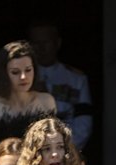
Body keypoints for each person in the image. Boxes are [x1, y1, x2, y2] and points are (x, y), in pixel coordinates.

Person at [28, 19, 93, 151]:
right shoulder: (21, 78)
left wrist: (64, 149)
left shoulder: (75, 79)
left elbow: (84, 122)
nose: (41, 48)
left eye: (46, 42)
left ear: (57, 43)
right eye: (36, 43)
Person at [0, 40, 56, 122]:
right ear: (3, 74)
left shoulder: (46, 101)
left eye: (28, 70)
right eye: (15, 72)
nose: (23, 77)